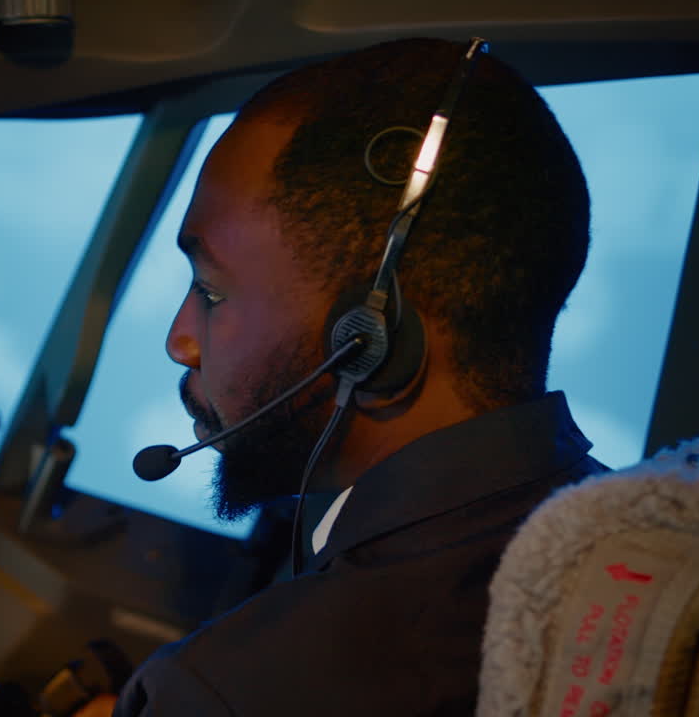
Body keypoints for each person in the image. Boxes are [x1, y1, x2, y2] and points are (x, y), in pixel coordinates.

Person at [107, 38, 607, 715]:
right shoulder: (628, 544)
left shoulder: (225, 692)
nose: (181, 341)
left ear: (368, 339)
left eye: (212, 291)